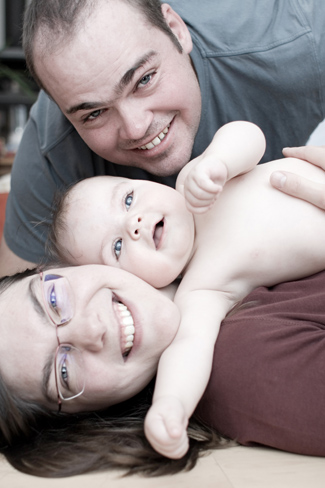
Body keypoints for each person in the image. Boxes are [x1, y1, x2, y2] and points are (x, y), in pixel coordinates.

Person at [47, 121, 325, 458]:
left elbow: (250, 136)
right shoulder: (202, 288)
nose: (133, 223)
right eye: (117, 247)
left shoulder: (193, 182)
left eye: (129, 199)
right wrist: (171, 404)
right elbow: (190, 348)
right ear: (135, 282)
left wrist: (219, 161)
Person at [1, 0, 325, 276]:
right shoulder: (50, 154)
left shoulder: (302, 41)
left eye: (144, 80)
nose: (135, 128)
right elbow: (25, 323)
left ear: (176, 29)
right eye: (94, 114)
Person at [2, 264, 325, 479]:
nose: (91, 328)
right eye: (63, 371)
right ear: (82, 419)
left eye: (53, 299)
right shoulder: (245, 367)